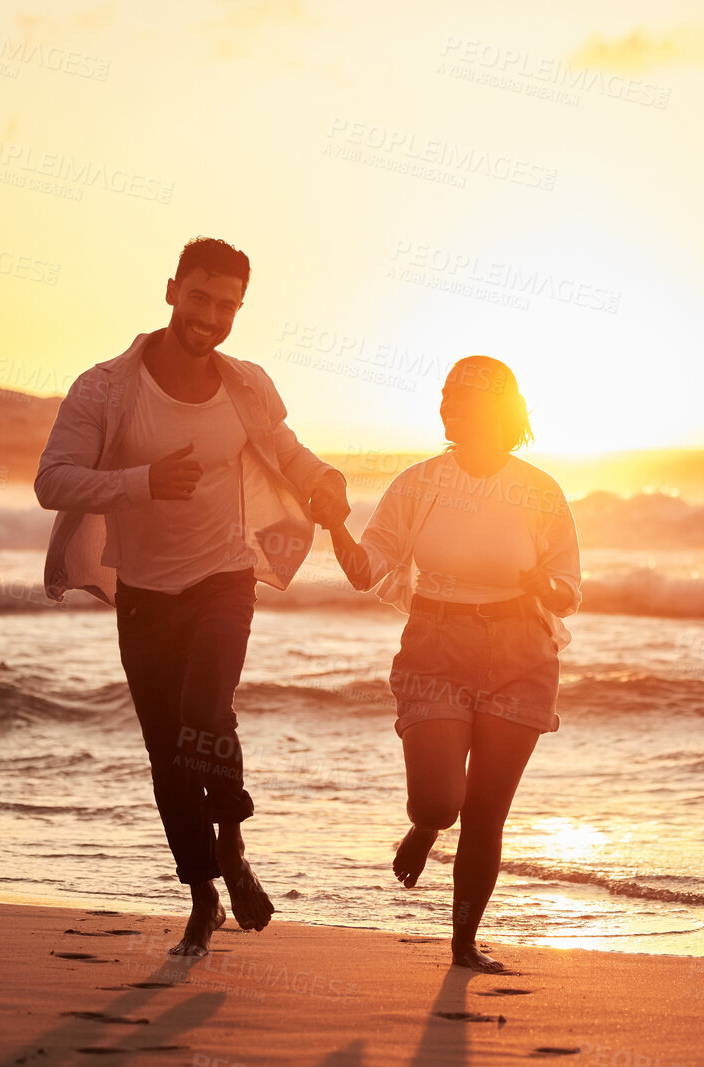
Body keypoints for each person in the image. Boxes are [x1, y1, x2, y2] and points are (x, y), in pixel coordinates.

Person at [35, 237, 349, 955]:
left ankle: (232, 849)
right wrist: (143, 480)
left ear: (239, 309)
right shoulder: (105, 388)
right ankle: (202, 892)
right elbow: (53, 480)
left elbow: (285, 449)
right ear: (172, 289)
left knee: (206, 712)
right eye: (200, 297)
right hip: (144, 591)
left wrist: (321, 478)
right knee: (168, 753)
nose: (211, 315)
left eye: (227, 304)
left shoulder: (246, 385)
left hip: (223, 576)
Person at [321, 356, 580, 972]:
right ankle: (426, 825)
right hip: (436, 647)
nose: (448, 406)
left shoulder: (539, 489)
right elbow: (365, 572)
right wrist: (332, 522)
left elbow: (569, 591)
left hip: (521, 652)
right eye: (445, 395)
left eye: (463, 397)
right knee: (440, 801)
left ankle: (464, 946)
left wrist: (543, 585)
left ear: (500, 412)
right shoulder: (418, 484)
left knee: (486, 813)